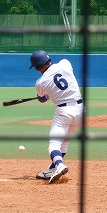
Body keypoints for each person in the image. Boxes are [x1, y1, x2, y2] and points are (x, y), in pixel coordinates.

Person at [29, 50, 84, 184]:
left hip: (64, 113)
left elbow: (42, 99)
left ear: (37, 67)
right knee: (64, 142)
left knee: (54, 143)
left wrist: (43, 96)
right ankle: (51, 169)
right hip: (81, 110)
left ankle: (59, 165)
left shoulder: (40, 83)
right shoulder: (65, 64)